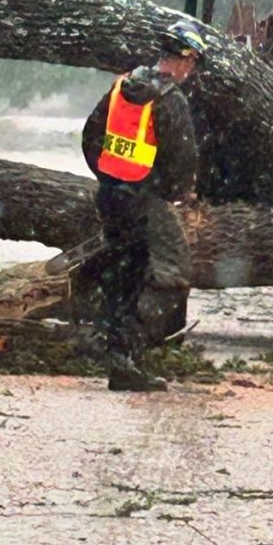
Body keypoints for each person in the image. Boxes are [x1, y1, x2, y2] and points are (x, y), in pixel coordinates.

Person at [81, 21, 207, 392]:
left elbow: (91, 136)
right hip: (144, 200)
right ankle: (128, 354)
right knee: (167, 274)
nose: (192, 70)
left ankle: (114, 348)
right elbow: (182, 160)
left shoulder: (121, 87)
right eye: (193, 63)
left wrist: (110, 177)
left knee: (122, 271)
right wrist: (171, 193)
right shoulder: (170, 100)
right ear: (185, 60)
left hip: (111, 196)